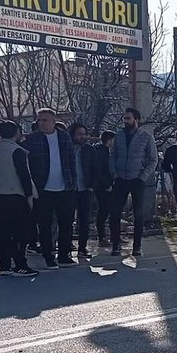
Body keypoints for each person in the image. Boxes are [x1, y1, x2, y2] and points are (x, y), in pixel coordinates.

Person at [23, 108, 76, 268]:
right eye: (39, 120)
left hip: (64, 187)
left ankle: (64, 255)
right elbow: (26, 163)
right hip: (42, 189)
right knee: (44, 224)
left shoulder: (64, 137)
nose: (41, 123)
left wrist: (73, 182)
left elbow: (71, 160)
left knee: (66, 222)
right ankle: (48, 256)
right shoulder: (32, 139)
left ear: (53, 121)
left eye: (44, 120)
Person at [0, 120, 39, 277]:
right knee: (20, 233)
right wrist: (29, 195)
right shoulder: (18, 151)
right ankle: (20, 265)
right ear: (17, 133)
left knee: (2, 233)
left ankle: (4, 265)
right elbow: (24, 175)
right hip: (16, 196)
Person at [111, 107, 158, 257]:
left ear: (136, 120)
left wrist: (142, 177)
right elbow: (112, 156)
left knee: (138, 215)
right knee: (115, 213)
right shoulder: (118, 136)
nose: (125, 121)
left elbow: (153, 159)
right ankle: (116, 245)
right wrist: (114, 174)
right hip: (120, 179)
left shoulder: (146, 137)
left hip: (137, 180)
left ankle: (137, 246)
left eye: (128, 118)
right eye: (124, 118)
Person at [68, 122, 96, 260]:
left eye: (84, 134)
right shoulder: (67, 149)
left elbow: (96, 169)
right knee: (67, 220)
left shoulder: (90, 150)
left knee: (85, 220)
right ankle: (66, 247)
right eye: (79, 134)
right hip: (70, 189)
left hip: (85, 189)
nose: (82, 137)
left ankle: (82, 248)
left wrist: (91, 185)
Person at [87, 131, 117, 255]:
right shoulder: (101, 152)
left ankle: (106, 236)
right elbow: (100, 170)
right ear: (109, 140)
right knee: (104, 210)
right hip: (103, 187)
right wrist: (107, 185)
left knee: (107, 210)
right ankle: (102, 237)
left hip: (104, 185)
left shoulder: (105, 151)